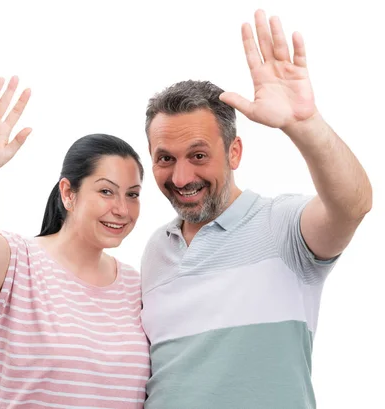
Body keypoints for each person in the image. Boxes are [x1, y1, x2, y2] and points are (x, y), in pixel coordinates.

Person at [140, 9, 372, 409]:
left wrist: (304, 123)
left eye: (198, 155)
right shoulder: (155, 251)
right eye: (165, 159)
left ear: (234, 151)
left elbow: (352, 204)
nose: (180, 177)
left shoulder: (282, 226)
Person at [0, 76, 150, 408]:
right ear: (68, 193)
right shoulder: (19, 262)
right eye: (106, 191)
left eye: (133, 195)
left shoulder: (135, 286)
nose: (122, 209)